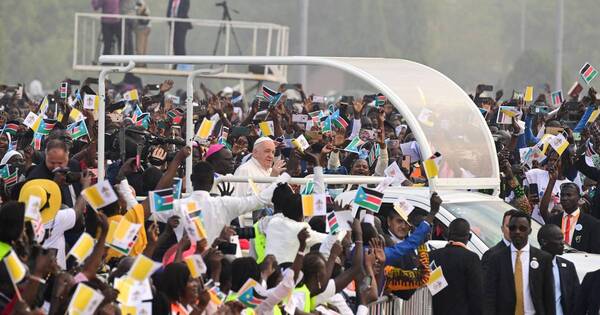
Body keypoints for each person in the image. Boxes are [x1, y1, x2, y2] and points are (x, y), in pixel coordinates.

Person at [483, 211, 555, 315]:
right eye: (512, 228)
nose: (517, 232)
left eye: (522, 228)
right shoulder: (496, 258)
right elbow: (489, 295)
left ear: (529, 231)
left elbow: (548, 296)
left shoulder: (543, 258)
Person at [430, 218, 483, 315]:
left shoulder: (432, 256)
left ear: (448, 234)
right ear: (469, 237)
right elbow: (477, 295)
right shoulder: (471, 258)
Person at [540, 182, 600, 254]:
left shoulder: (592, 223)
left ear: (578, 197)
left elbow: (595, 253)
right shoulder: (553, 220)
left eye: (569, 195)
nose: (564, 198)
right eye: (562, 195)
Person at [537, 224, 579, 315]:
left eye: (562, 238)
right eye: (558, 239)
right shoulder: (531, 265)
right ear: (544, 242)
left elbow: (576, 300)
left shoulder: (568, 267)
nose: (562, 242)